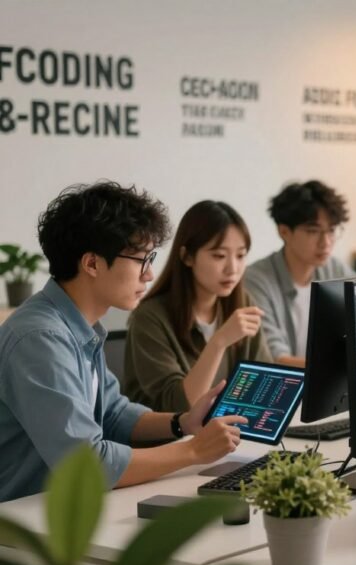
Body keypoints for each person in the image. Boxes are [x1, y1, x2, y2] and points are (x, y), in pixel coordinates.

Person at [0, 182, 246, 502]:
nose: (149, 274)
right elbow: (88, 465)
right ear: (91, 264)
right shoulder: (41, 339)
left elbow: (114, 414)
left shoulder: (77, 326)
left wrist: (181, 422)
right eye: (141, 259)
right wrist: (194, 450)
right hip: (23, 525)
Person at [123, 200, 272, 412]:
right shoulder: (150, 317)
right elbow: (182, 407)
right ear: (187, 256)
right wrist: (219, 341)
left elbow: (265, 384)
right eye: (219, 256)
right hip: (168, 441)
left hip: (227, 435)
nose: (233, 268)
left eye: (240, 255)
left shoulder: (241, 303)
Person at [245, 180, 354, 366]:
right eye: (313, 231)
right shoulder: (256, 280)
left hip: (328, 387)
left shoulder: (334, 268)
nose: (326, 242)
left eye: (331, 231)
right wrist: (341, 368)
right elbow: (275, 358)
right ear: (284, 232)